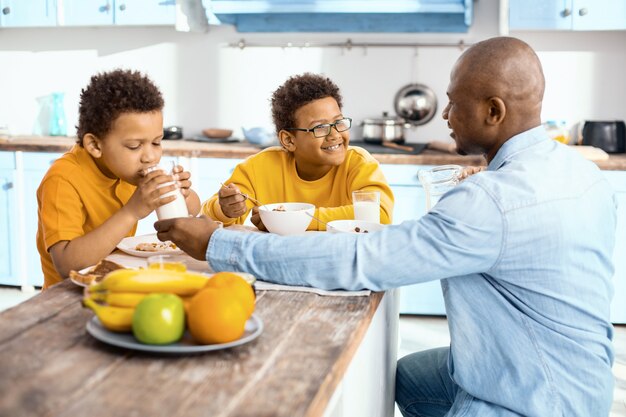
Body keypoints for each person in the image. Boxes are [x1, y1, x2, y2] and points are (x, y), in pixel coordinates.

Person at [154, 37, 617, 416]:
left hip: (535, 401)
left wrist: (220, 244)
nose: (444, 116)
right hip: (581, 380)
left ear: (493, 112)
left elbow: (365, 257)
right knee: (409, 379)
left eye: (454, 104)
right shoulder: (577, 172)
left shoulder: (491, 201)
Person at [36, 69, 200, 289]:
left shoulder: (127, 169)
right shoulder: (62, 180)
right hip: (69, 296)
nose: (150, 156)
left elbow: (193, 211)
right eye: (134, 146)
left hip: (116, 283)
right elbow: (67, 266)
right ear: (95, 145)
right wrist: (133, 211)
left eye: (157, 142)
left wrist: (182, 195)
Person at [201, 73, 394, 230]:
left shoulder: (359, 163)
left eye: (339, 122)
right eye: (320, 127)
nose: (334, 134)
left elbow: (378, 216)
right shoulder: (259, 168)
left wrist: (287, 221)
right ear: (289, 140)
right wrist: (226, 210)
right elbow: (208, 219)